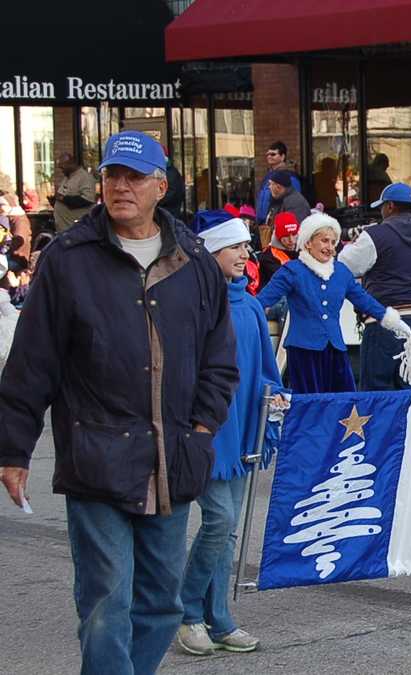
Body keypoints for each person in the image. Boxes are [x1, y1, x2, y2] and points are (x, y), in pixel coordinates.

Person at [0, 130, 239, 673]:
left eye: (134, 177)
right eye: (112, 175)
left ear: (161, 186)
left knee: (160, 603)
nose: (120, 186)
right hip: (97, 458)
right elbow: (32, 362)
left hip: (172, 458)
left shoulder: (194, 260)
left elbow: (219, 359)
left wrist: (201, 432)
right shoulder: (68, 259)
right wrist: (12, 448)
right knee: (108, 601)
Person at [178, 216, 286, 656]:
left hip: (245, 427)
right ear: (211, 252)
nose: (245, 254)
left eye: (246, 247)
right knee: (220, 520)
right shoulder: (192, 303)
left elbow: (265, 365)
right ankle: (185, 612)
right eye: (235, 247)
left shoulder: (252, 305)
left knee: (229, 531)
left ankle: (217, 618)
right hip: (208, 428)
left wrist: (275, 398)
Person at [256, 212, 409, 393]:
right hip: (303, 351)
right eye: (324, 240)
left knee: (345, 406)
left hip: (336, 350)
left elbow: (364, 300)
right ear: (308, 243)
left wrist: (395, 322)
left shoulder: (341, 272)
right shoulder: (292, 270)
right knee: (310, 407)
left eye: (333, 242)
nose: (330, 247)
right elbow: (263, 301)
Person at [337, 183, 411, 390]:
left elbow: (344, 265)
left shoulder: (376, 235)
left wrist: (356, 239)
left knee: (377, 393)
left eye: (381, 207)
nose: (380, 212)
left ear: (390, 206)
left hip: (384, 320)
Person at [255, 141, 302, 224]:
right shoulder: (268, 176)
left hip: (278, 223)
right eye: (267, 154)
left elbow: (293, 201)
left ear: (282, 156)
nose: (269, 157)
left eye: (273, 154)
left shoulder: (290, 176)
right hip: (263, 223)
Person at [52, 152, 96, 232]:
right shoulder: (67, 177)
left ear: (71, 164)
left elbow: (88, 200)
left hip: (77, 229)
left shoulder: (85, 177)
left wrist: (64, 199)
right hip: (64, 229)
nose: (61, 170)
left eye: (62, 167)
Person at [264, 169, 311, 237]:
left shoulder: (294, 202)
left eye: (271, 184)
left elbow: (293, 230)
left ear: (278, 187)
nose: (269, 187)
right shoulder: (279, 199)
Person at [258, 211, 299, 289]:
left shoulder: (302, 251)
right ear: (278, 236)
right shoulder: (268, 257)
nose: (291, 240)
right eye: (286, 236)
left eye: (294, 234)